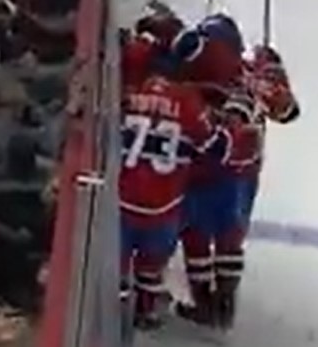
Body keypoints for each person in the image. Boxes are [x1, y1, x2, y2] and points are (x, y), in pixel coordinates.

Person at [178, 44, 299, 328]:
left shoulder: (236, 67)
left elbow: (288, 111)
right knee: (222, 234)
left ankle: (213, 304)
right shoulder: (245, 70)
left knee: (201, 233)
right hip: (232, 166)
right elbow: (288, 111)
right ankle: (219, 304)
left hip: (218, 165)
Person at [118, 55, 211, 329]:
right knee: (151, 266)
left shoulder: (129, 96)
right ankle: (145, 312)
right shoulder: (188, 102)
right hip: (164, 204)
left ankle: (113, 316)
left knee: (116, 265)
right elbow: (212, 145)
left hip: (124, 197)